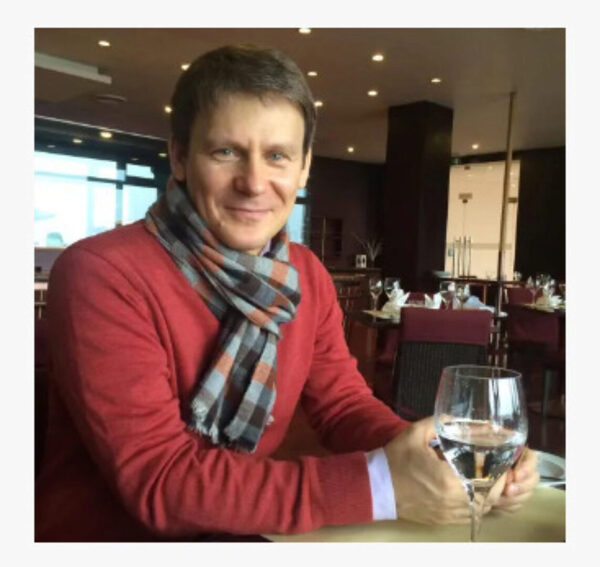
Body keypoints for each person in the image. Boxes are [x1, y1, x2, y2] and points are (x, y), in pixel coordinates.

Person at [35, 44, 539, 542]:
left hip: (244, 532)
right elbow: (160, 481)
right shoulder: (102, 273)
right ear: (181, 157)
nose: (254, 183)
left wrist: (438, 459)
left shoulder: (305, 274)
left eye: (277, 156)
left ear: (303, 168)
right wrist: (382, 486)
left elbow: (342, 406)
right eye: (226, 151)